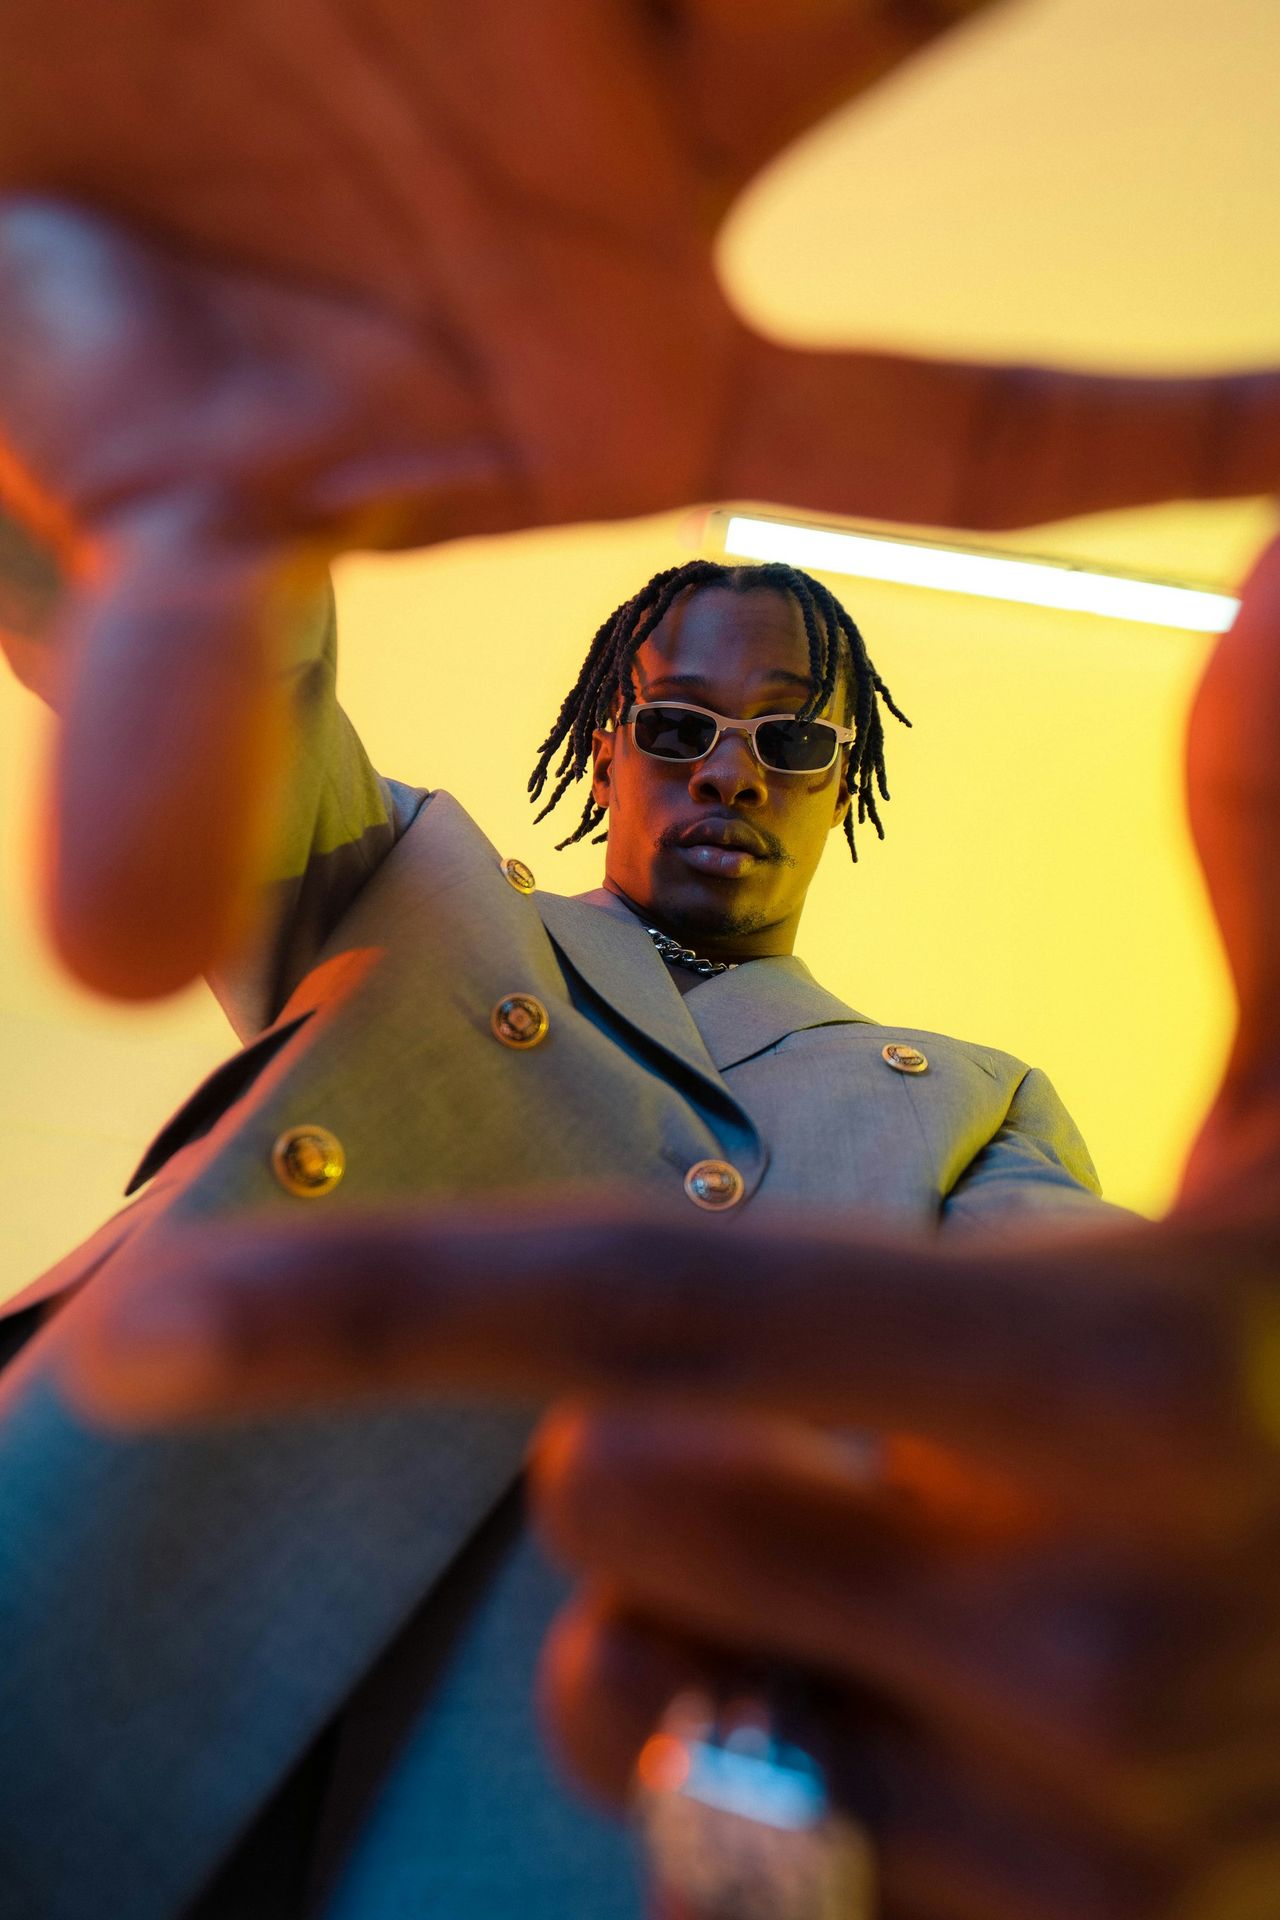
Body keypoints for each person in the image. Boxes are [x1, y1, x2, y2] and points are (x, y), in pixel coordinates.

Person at [70, 531, 1280, 1920]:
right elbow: (238, 696)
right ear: (604, 751)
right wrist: (188, 527)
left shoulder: (962, 1098)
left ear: (846, 792)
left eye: (792, 741)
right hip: (163, 1679)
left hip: (590, 1811)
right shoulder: (409, 904)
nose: (729, 771)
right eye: (678, 725)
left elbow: (1093, 1358)